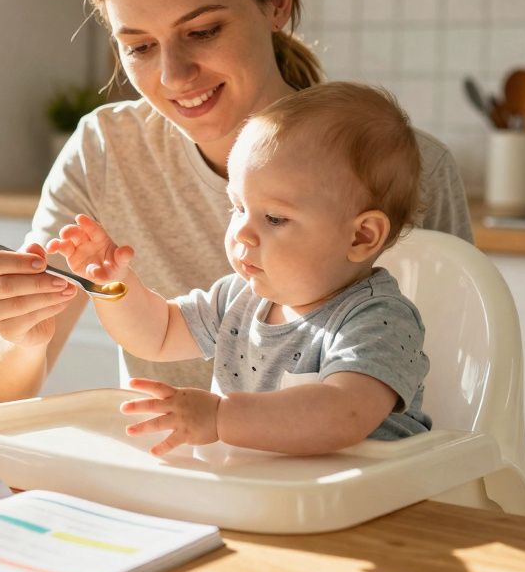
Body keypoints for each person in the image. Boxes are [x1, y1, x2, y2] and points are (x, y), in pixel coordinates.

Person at [0, 0, 470, 405]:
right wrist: (17, 332)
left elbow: (450, 403)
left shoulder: (404, 168)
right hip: (171, 478)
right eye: (139, 47)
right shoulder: (105, 150)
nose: (175, 75)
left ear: (275, 1)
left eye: (202, 32)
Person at [47, 82, 430, 456]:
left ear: (361, 236)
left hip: (374, 501)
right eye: (238, 207)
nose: (242, 232)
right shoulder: (238, 298)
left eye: (275, 218)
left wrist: (220, 417)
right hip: (274, 496)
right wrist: (116, 285)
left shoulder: (378, 319)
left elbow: (342, 414)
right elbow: (157, 334)